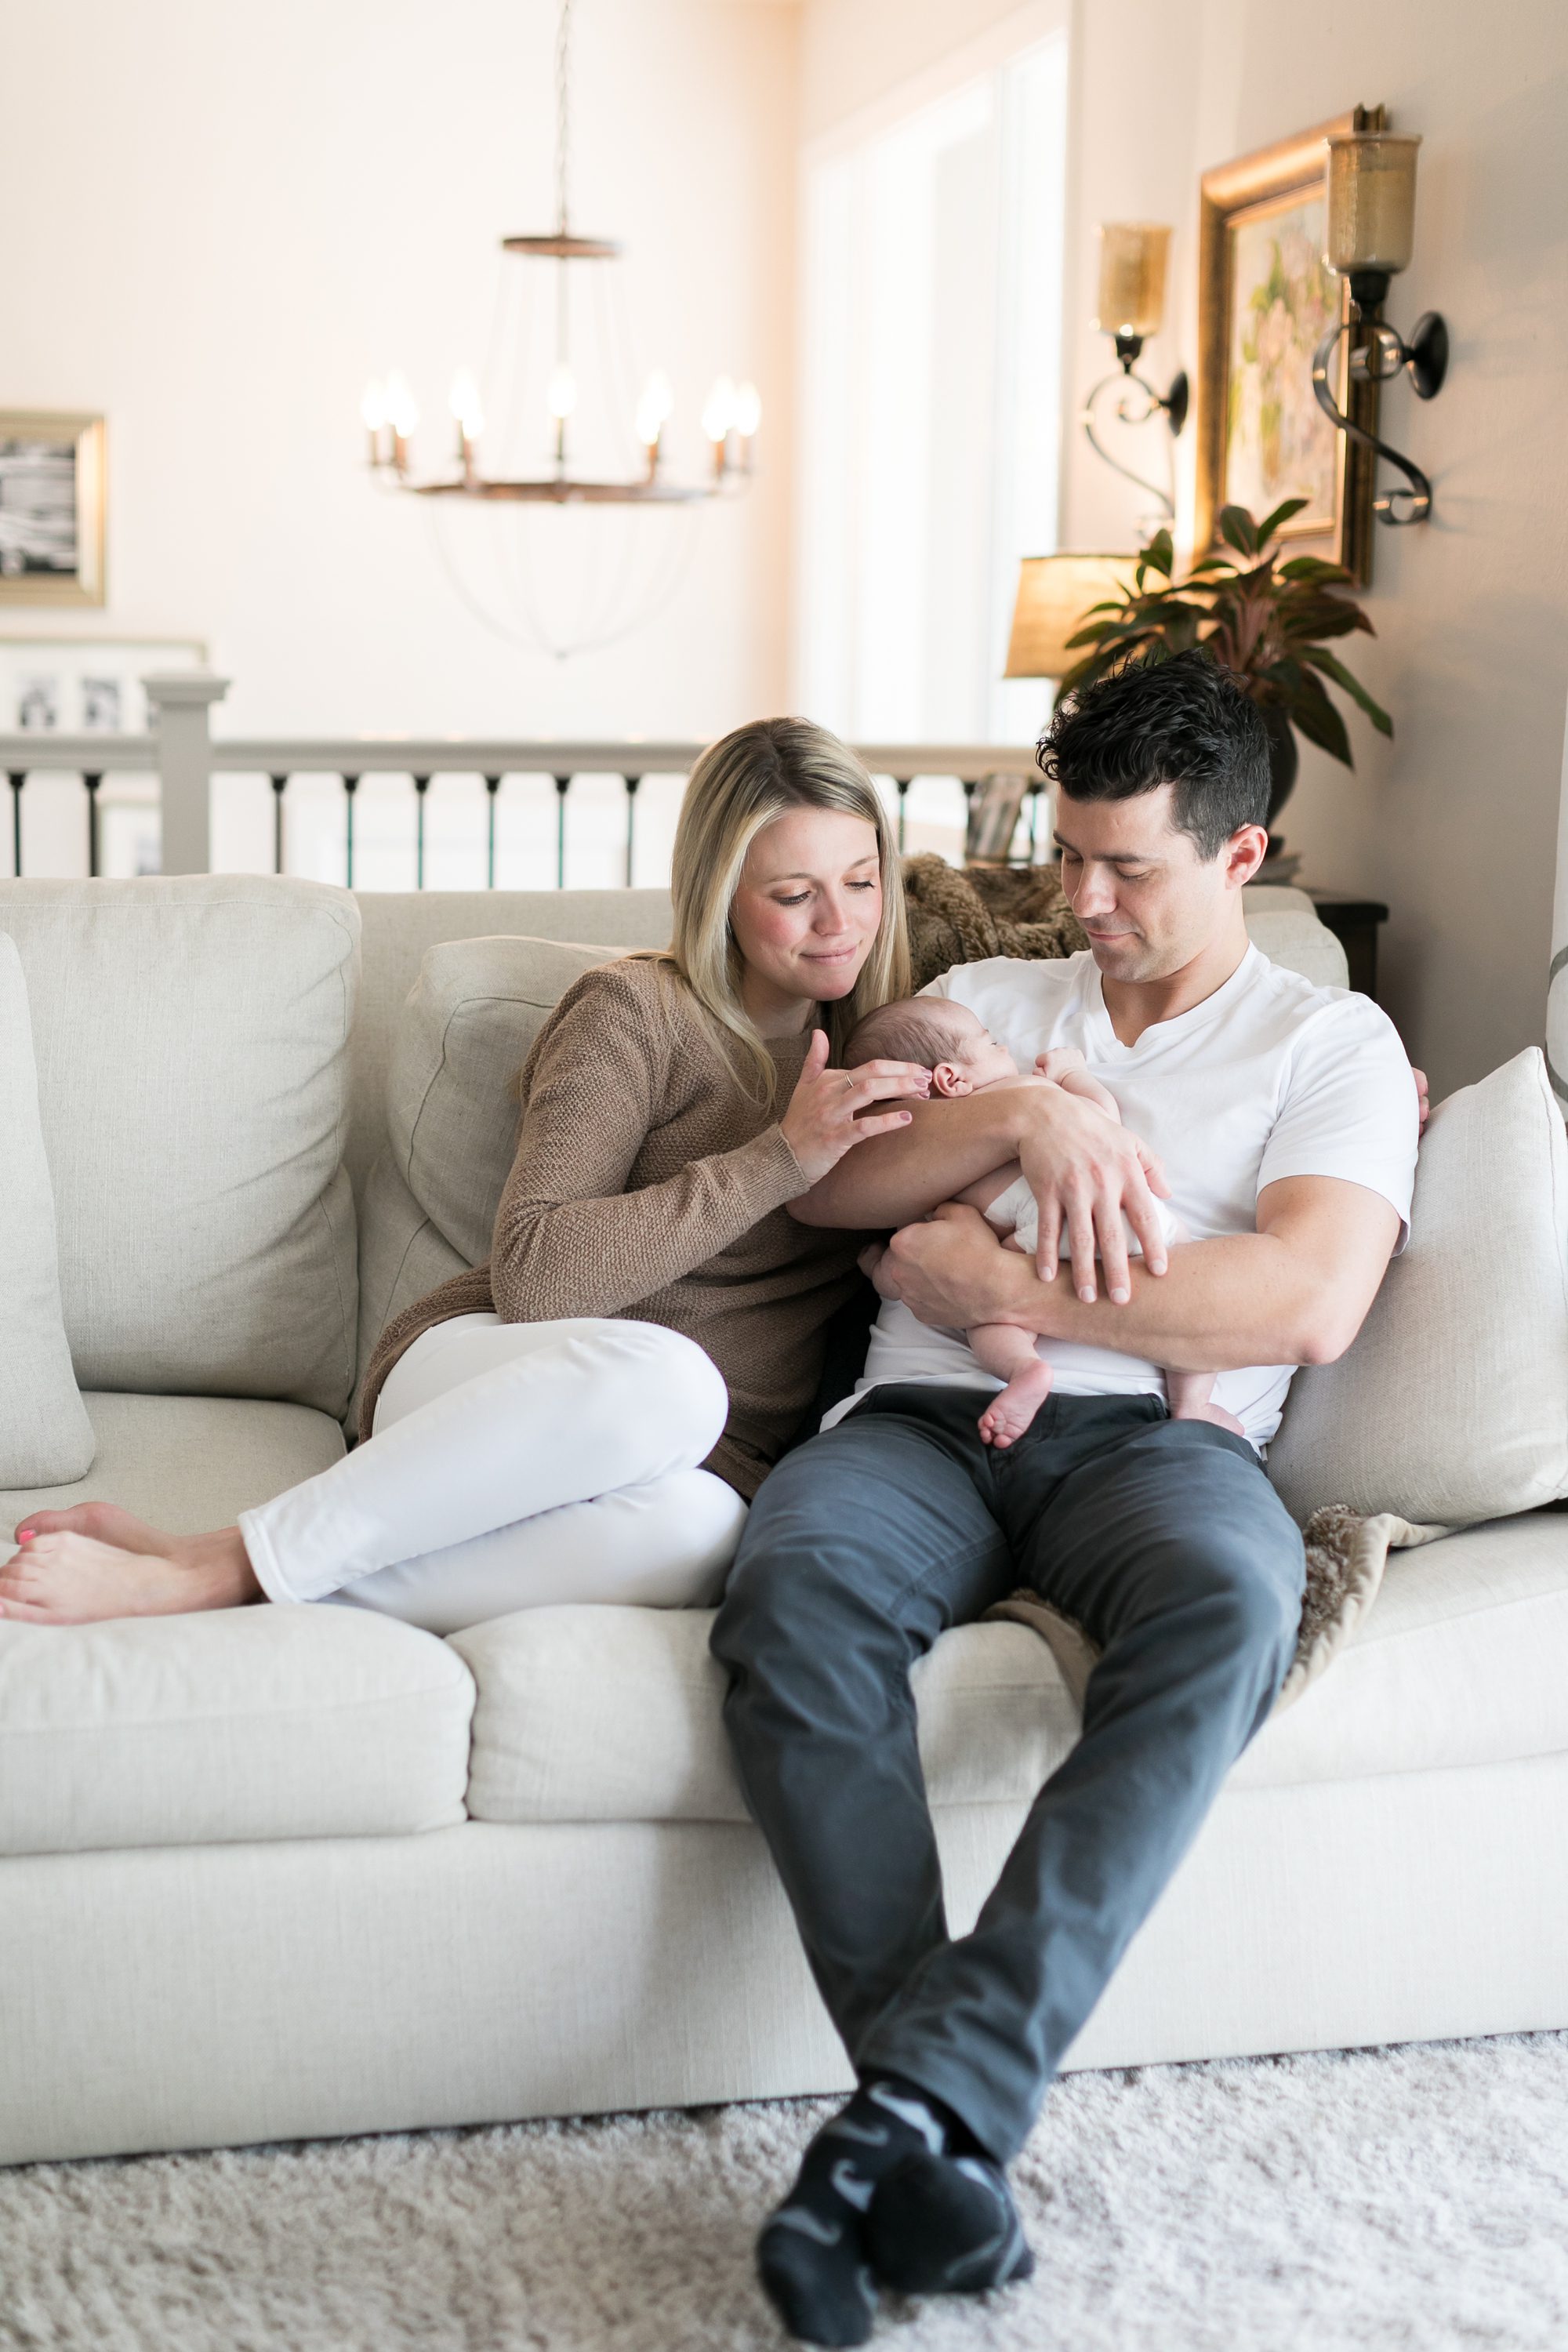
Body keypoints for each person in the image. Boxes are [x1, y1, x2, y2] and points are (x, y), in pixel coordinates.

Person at [710, 652, 1420, 2348]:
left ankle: (911, 2110)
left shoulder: (1323, 1042)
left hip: (1159, 1455)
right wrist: (1017, 1118)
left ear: (1240, 856)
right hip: (918, 1428)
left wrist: (973, 1273)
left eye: (1129, 870)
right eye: (1069, 858)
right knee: (789, 1591)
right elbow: (833, 1193)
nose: (1083, 900)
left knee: (1235, 1603)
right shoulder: (992, 998)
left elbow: (1302, 1303)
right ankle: (937, 2122)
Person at [0, 719, 932, 1632]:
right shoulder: (636, 1012)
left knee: (705, 1533)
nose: (838, 923)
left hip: (694, 1461)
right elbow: (535, 1276)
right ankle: (217, 1565)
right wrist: (778, 1159)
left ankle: (238, 1570)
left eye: (860, 881)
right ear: (721, 891)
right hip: (496, 1376)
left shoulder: (898, 1038)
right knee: (674, 1381)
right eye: (793, 892)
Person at [845, 995, 1231, 1448]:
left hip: (1024, 1233)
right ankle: (1192, 1406)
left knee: (985, 1311)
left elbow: (919, 1240)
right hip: (1115, 1211)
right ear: (951, 1078)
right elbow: (1103, 1118)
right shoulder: (1027, 1092)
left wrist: (883, 1271)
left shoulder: (922, 1157)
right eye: (992, 1043)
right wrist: (1072, 1075)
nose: (1006, 1050)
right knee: (1184, 1290)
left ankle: (1024, 1370)